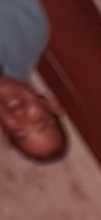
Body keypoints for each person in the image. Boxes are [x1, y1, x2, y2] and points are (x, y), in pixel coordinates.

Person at [0, 0, 66, 162]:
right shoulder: (30, 31)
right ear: (50, 104)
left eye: (19, 132)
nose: (20, 115)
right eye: (39, 121)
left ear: (4, 130)